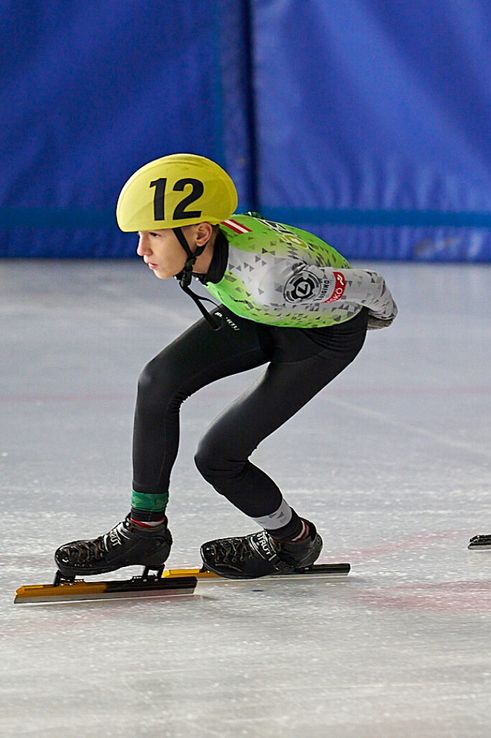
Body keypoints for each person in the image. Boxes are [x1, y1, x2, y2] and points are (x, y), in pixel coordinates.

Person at [54, 153, 398, 580]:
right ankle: (145, 530)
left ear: (201, 232)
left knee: (218, 457)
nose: (142, 249)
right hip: (259, 311)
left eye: (154, 235)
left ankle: (294, 540)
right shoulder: (214, 242)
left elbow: (372, 285)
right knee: (157, 381)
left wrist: (379, 318)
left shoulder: (273, 282)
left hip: (320, 337)